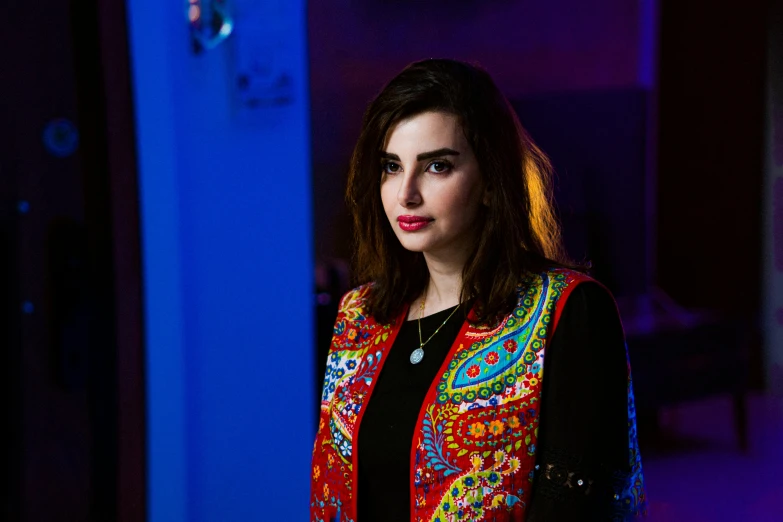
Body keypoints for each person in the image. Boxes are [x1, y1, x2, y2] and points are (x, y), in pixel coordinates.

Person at [310, 58, 647, 522]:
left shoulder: (569, 310)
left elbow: (575, 510)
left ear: (491, 180)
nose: (406, 193)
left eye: (437, 167)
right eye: (391, 166)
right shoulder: (359, 315)